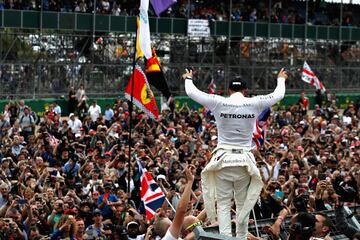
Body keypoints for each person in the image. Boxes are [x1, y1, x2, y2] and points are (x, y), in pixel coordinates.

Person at [183, 68, 288, 238]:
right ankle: (240, 237)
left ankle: (225, 237)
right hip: (243, 163)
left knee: (223, 205)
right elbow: (278, 95)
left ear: (229, 90)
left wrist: (188, 78)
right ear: (245, 90)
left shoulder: (218, 101)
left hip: (223, 161)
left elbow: (191, 92)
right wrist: (281, 78)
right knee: (242, 205)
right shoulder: (255, 102)